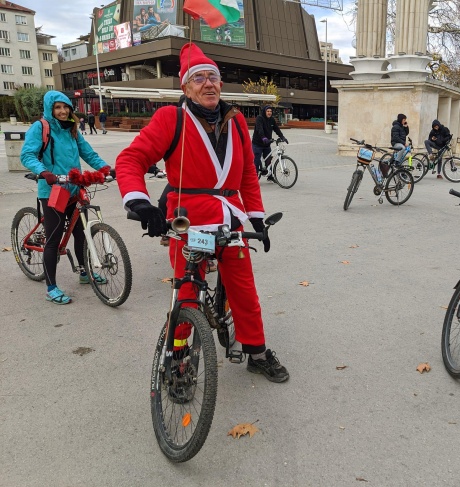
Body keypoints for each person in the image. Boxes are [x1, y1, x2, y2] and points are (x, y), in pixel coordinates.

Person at [115, 43, 289, 383]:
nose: (208, 84)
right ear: (185, 87)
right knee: (188, 293)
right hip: (188, 219)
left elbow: (248, 177)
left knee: (244, 288)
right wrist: (140, 201)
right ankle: (178, 359)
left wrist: (256, 220)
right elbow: (130, 160)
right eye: (198, 78)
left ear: (221, 84)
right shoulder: (171, 118)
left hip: (231, 217)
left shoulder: (237, 120)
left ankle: (256, 351)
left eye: (213, 77)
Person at [20, 91, 110, 305]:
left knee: (81, 233)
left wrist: (105, 168)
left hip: (74, 188)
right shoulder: (41, 127)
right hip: (53, 190)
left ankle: (84, 272)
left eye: (66, 107)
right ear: (50, 108)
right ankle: (51, 288)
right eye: (58, 107)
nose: (62, 111)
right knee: (54, 239)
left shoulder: (72, 129)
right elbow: (27, 154)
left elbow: (88, 153)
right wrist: (43, 172)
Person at [251, 105, 287, 182]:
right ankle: (254, 179)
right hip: (257, 143)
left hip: (267, 144)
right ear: (265, 111)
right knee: (256, 161)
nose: (269, 113)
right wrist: (263, 137)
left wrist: (282, 137)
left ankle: (270, 176)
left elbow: (276, 129)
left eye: (270, 111)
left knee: (268, 161)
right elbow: (259, 129)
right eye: (268, 111)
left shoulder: (272, 120)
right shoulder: (259, 118)